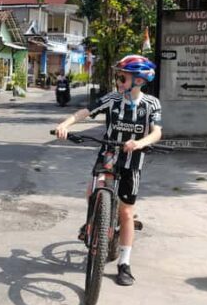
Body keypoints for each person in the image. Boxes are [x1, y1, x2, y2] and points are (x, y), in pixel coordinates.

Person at [54, 54, 162, 286]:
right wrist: (65, 124)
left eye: (123, 78)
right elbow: (86, 112)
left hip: (133, 159)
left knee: (126, 213)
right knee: (92, 190)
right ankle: (96, 219)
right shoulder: (113, 98)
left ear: (139, 81)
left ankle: (124, 263)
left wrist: (140, 143)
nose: (118, 81)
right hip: (109, 153)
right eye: (118, 77)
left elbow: (157, 132)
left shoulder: (151, 104)